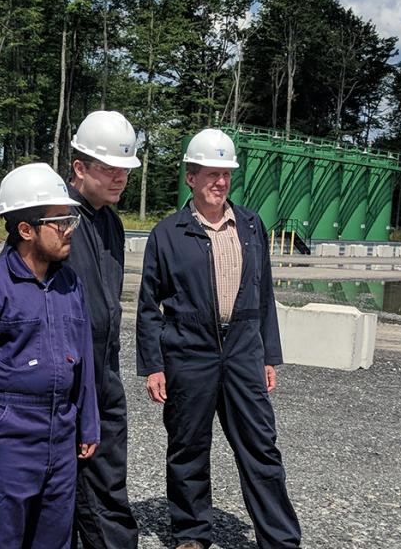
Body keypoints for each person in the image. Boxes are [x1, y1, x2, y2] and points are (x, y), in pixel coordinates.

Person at [137, 129, 301, 549]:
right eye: (211, 174)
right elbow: (148, 305)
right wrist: (154, 365)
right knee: (188, 447)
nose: (220, 182)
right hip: (189, 353)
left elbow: (264, 296)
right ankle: (192, 534)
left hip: (244, 350)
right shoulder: (168, 233)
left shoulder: (249, 225)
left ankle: (280, 539)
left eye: (226, 174)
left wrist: (268, 355)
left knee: (261, 448)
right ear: (190, 177)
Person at [0, 163, 100, 549]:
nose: (70, 230)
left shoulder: (69, 284)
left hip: (60, 438)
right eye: (60, 221)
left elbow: (82, 358)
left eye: (71, 220)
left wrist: (89, 423)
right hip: (8, 440)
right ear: (26, 229)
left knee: (54, 540)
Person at [62, 111, 142, 548]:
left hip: (104, 371)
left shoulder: (110, 222)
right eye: (110, 169)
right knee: (79, 490)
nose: (120, 179)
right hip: (70, 375)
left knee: (109, 481)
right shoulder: (55, 217)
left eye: (126, 171)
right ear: (80, 167)